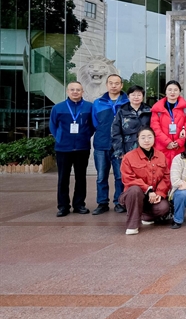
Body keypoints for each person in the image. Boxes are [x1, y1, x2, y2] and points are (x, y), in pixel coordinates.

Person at [50, 82, 95, 217]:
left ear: (82, 91)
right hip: (63, 148)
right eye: (72, 89)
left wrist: (85, 136)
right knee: (63, 178)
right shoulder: (58, 108)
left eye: (78, 90)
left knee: (81, 177)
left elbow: (93, 125)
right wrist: (60, 138)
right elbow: (53, 126)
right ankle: (63, 206)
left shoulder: (89, 107)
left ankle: (79, 205)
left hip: (82, 147)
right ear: (67, 91)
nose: (75, 92)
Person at [118, 127, 170, 235]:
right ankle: (132, 225)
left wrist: (159, 193)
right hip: (133, 195)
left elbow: (166, 177)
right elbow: (128, 179)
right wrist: (148, 190)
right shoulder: (129, 157)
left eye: (150, 137)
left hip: (152, 197)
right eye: (143, 137)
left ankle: (145, 216)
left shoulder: (161, 156)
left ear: (154, 138)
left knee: (163, 207)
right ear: (138, 139)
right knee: (135, 190)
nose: (146, 140)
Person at [91, 74, 129, 215]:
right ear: (107, 85)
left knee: (120, 176)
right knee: (101, 176)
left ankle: (119, 202)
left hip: (120, 146)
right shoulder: (98, 103)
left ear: (121, 85)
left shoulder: (127, 102)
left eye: (117, 83)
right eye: (111, 83)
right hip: (101, 145)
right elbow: (95, 123)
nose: (114, 86)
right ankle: (102, 203)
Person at [150, 80, 186, 168]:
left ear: (179, 92)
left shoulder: (185, 108)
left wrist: (179, 142)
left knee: (179, 171)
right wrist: (167, 142)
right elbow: (155, 128)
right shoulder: (157, 109)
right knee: (162, 171)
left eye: (175, 90)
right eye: (169, 90)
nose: (172, 92)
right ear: (165, 91)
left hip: (180, 148)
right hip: (162, 147)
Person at [111, 85, 152, 161]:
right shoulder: (122, 110)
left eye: (139, 95)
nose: (136, 97)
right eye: (133, 95)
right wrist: (119, 151)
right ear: (128, 97)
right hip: (128, 147)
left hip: (146, 146)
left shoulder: (149, 110)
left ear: (143, 97)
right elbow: (115, 132)